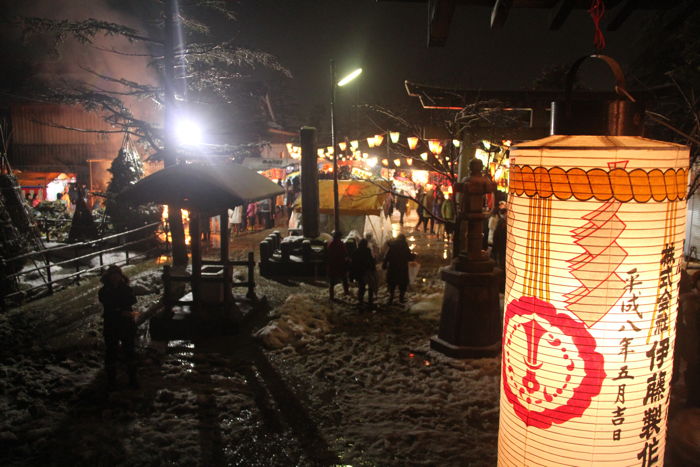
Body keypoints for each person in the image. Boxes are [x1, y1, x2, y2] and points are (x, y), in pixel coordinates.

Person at [98, 265, 138, 389]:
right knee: (111, 351)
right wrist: (120, 310)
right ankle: (111, 380)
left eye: (117, 275)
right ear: (109, 277)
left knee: (129, 350)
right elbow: (108, 305)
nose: (115, 278)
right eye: (113, 275)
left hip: (126, 324)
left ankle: (132, 379)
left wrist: (120, 308)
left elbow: (132, 301)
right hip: (112, 324)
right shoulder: (104, 291)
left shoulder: (126, 289)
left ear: (121, 276)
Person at [382, 233, 415, 304]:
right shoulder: (405, 246)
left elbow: (387, 256)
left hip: (393, 268)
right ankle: (401, 298)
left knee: (392, 283)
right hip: (402, 268)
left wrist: (384, 265)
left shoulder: (392, 246)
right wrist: (413, 257)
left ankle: (391, 297)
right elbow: (409, 257)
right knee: (402, 284)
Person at [351, 238, 377, 306]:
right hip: (366, 271)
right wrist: (373, 268)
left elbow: (353, 264)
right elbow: (371, 260)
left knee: (361, 287)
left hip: (359, 272)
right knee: (370, 287)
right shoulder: (367, 251)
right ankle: (370, 301)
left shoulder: (355, 252)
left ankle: (361, 301)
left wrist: (352, 274)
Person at [327, 231, 350, 300]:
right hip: (340, 264)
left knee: (332, 281)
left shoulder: (331, 244)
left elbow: (328, 254)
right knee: (344, 279)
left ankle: (331, 296)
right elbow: (345, 253)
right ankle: (346, 292)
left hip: (333, 265)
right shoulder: (341, 244)